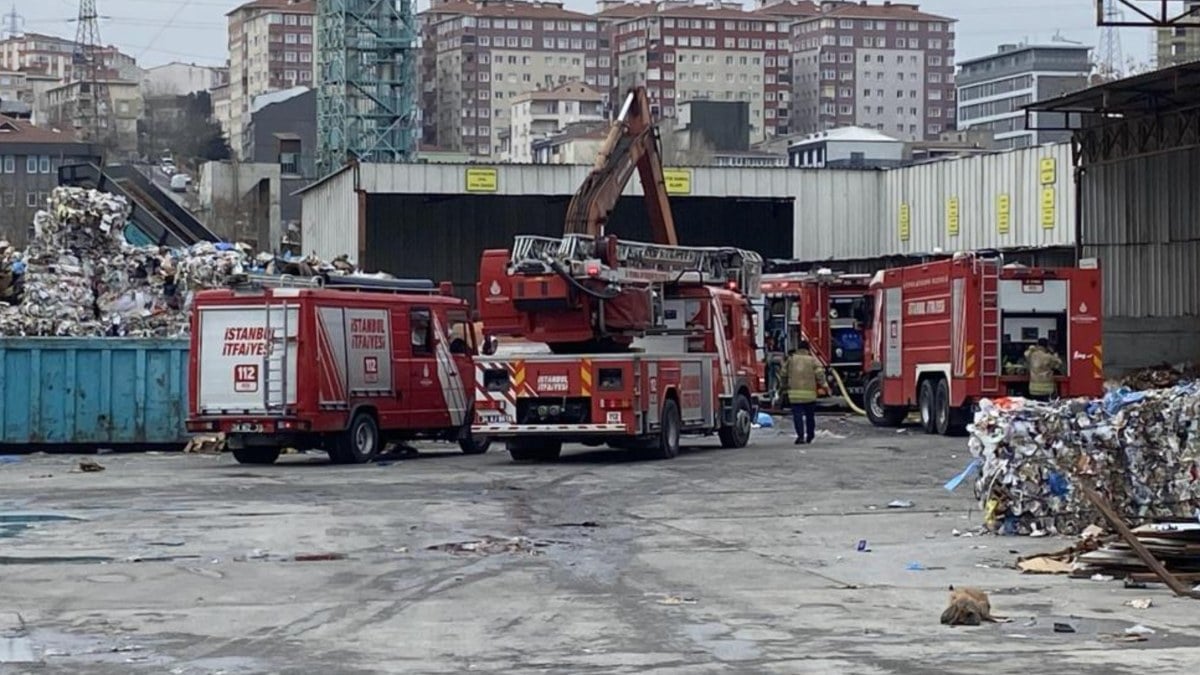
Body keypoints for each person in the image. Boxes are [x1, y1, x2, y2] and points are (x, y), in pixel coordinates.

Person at [780, 340, 824, 445]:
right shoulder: (812, 360)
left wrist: (783, 386)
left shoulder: (791, 360)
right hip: (810, 394)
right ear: (807, 349)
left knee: (797, 416)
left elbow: (783, 373)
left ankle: (800, 437)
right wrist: (824, 385)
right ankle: (810, 435)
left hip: (794, 394)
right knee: (810, 416)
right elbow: (820, 374)